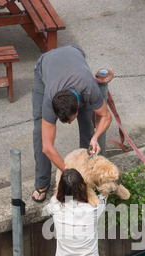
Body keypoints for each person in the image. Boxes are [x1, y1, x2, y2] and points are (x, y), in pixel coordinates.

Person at [32, 45, 112, 202]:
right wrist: (69, 173)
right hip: (46, 64)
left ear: (78, 106)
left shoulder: (89, 89)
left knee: (88, 128)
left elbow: (106, 117)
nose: (68, 124)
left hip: (74, 54)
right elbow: (47, 147)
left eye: (69, 119)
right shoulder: (49, 99)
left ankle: (89, 177)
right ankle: (42, 184)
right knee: (39, 132)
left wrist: (95, 137)